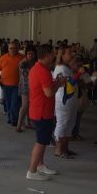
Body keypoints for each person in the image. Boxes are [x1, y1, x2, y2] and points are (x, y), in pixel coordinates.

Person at [26, 45, 66, 181]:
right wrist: (59, 84)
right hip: (41, 111)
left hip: (41, 110)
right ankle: (31, 171)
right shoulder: (42, 71)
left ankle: (40, 165)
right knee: (41, 142)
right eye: (52, 54)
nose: (54, 56)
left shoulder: (38, 68)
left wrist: (55, 82)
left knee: (42, 140)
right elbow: (48, 92)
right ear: (46, 55)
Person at [52, 46, 79, 158]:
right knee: (62, 123)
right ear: (62, 56)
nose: (72, 54)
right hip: (63, 101)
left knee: (70, 123)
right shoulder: (61, 68)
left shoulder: (67, 68)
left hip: (71, 100)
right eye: (69, 53)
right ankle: (58, 149)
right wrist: (79, 74)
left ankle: (65, 148)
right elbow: (68, 83)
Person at [0, 42, 25, 126]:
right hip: (5, 84)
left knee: (15, 102)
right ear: (8, 49)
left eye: (14, 48)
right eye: (10, 48)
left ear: (17, 48)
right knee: (7, 102)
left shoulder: (22, 58)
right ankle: (10, 117)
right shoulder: (3, 58)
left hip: (17, 85)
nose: (12, 50)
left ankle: (14, 119)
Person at [16, 47, 36, 133]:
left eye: (31, 54)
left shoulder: (35, 63)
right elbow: (20, 66)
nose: (30, 55)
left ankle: (28, 123)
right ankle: (19, 125)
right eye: (28, 54)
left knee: (29, 105)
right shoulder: (24, 62)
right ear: (26, 55)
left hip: (33, 86)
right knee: (24, 105)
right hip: (24, 85)